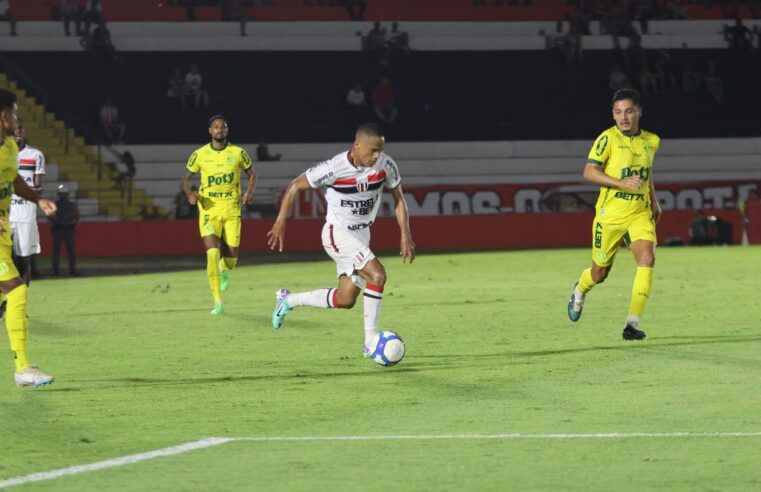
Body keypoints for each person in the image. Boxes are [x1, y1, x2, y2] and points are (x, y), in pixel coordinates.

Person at [267, 122, 415, 357]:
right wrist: (280, 222)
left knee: (345, 299)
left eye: (380, 150)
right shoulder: (334, 168)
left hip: (361, 235)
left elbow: (399, 200)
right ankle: (370, 343)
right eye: (372, 150)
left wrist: (405, 235)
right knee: (377, 275)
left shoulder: (386, 166)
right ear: (357, 144)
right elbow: (295, 186)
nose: (377, 156)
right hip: (337, 233)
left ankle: (289, 301)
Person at [567, 89, 662, 341]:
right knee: (600, 274)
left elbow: (646, 172)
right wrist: (620, 183)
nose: (624, 117)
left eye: (629, 111)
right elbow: (588, 172)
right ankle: (580, 289)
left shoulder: (652, 141)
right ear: (613, 114)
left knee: (647, 258)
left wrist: (654, 199)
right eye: (618, 112)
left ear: (639, 111)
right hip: (609, 216)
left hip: (639, 213)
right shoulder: (606, 139)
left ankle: (632, 324)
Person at [0, 89, 58, 387]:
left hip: (3, 231)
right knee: (17, 291)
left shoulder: (9, 148)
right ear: (2, 116)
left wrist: (39, 200)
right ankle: (22, 369)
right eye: (13, 113)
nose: (17, 119)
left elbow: (13, 180)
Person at [182, 115, 256, 315]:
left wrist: (249, 192)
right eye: (216, 127)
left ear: (227, 130)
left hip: (232, 211)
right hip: (208, 211)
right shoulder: (199, 155)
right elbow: (187, 179)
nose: (220, 129)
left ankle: (224, 270)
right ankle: (217, 302)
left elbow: (252, 174)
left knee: (231, 260)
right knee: (212, 253)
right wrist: (190, 194)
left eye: (223, 126)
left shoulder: (238, 153)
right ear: (210, 131)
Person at [49, 184, 79, 276]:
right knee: (61, 252)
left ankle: (62, 271)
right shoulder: (56, 205)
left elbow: (76, 217)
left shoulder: (56, 205)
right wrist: (63, 222)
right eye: (62, 194)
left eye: (64, 193)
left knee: (65, 251)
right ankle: (59, 270)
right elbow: (51, 216)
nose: (63, 195)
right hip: (62, 229)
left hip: (64, 229)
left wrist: (60, 222)